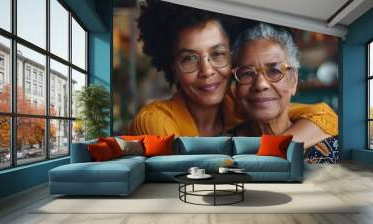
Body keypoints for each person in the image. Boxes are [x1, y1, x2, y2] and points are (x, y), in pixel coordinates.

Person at [130, 0, 338, 147]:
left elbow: (325, 117)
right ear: (172, 66)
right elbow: (192, 174)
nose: (207, 71)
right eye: (189, 58)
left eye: (218, 54)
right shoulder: (154, 119)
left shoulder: (239, 103)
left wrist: (273, 151)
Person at [232, 23, 339, 163]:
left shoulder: (333, 149)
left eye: (274, 71)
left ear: (294, 81)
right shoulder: (224, 141)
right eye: (247, 73)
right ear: (236, 87)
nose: (260, 85)